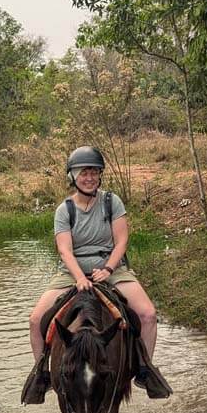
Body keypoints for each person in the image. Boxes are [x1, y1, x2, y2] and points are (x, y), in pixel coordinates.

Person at [27, 146, 162, 393]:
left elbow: (121, 240)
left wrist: (109, 269)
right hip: (71, 271)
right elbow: (65, 250)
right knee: (36, 320)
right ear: (73, 177)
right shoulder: (64, 209)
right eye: (83, 173)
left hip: (110, 267)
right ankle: (41, 374)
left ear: (100, 175)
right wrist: (79, 277)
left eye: (94, 172)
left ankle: (145, 370)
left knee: (148, 315)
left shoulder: (112, 202)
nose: (89, 178)